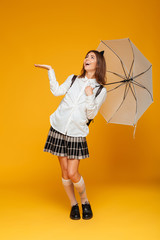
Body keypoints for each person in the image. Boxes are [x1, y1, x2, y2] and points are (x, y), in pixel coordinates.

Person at [34, 50, 107, 220]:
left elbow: (91, 115)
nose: (87, 59)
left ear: (98, 65)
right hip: (58, 128)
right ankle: (73, 204)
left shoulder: (100, 90)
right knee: (65, 172)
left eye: (92, 57)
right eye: (86, 56)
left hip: (76, 133)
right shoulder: (74, 79)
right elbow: (57, 91)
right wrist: (50, 71)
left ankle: (85, 201)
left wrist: (90, 96)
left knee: (73, 173)